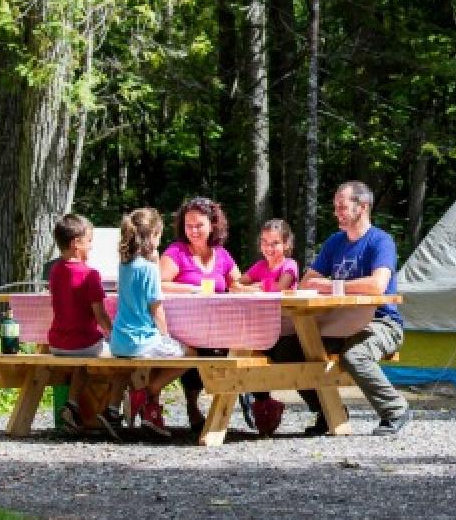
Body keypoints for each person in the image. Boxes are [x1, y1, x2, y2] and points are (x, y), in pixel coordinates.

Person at [275, 181, 410, 436]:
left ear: (363, 207)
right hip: (337, 323)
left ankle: (395, 409)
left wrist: (331, 285)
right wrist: (336, 286)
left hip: (381, 323)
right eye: (335, 207)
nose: (337, 212)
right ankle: (329, 411)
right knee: (285, 348)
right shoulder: (335, 242)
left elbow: (377, 286)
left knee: (354, 354)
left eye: (342, 207)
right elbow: (306, 282)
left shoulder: (381, 241)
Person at [158, 197, 241, 428]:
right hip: (182, 327)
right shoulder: (176, 252)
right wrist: (192, 289)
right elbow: (158, 284)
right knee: (198, 347)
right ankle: (193, 404)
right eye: (188, 225)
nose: (193, 231)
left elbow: (238, 283)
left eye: (199, 225)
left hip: (218, 327)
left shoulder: (221, 254)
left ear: (213, 224)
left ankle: (251, 401)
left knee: (244, 348)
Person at [46, 214, 124, 439]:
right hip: (83, 344)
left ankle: (72, 407)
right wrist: (114, 334)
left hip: (57, 344)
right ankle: (111, 411)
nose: (91, 245)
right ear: (76, 244)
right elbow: (100, 315)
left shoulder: (55, 271)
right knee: (123, 358)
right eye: (89, 240)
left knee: (81, 364)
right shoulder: (90, 274)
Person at [110, 208, 186, 438]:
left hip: (119, 341)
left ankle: (148, 408)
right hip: (142, 341)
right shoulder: (150, 269)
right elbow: (157, 308)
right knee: (190, 354)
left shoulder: (124, 265)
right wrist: (166, 336)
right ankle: (146, 392)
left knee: (154, 356)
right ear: (153, 235)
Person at [235, 219, 300, 435]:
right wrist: (251, 287)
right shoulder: (260, 266)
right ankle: (262, 404)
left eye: (274, 243)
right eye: (264, 242)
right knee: (243, 354)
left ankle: (260, 403)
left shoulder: (289, 265)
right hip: (259, 327)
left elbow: (279, 288)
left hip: (285, 327)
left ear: (286, 244)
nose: (268, 248)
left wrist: (255, 287)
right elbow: (236, 284)